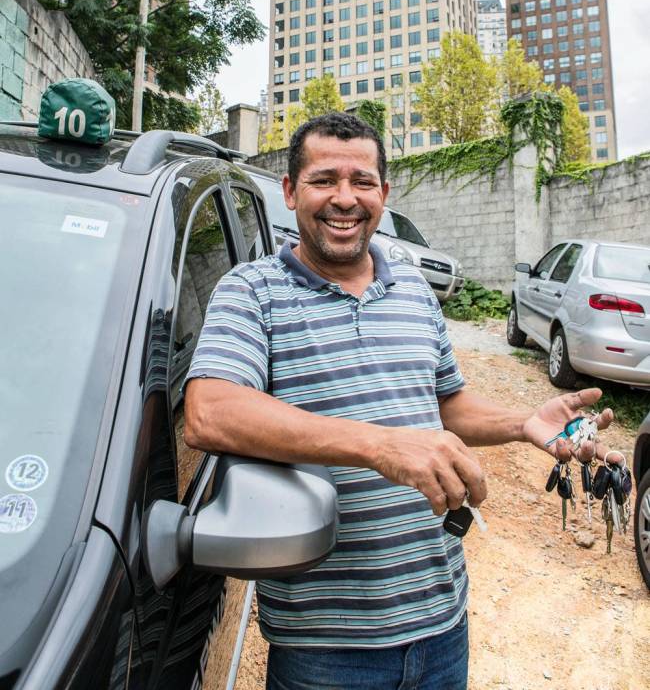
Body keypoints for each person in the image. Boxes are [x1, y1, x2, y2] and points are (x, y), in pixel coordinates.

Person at [184, 112, 613, 690]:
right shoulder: (252, 290)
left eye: (362, 181)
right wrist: (380, 445)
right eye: (323, 180)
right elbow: (211, 411)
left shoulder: (411, 286)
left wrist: (521, 422)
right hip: (325, 647)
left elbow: (445, 403)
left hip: (442, 621)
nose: (344, 199)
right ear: (289, 191)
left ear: (383, 193)